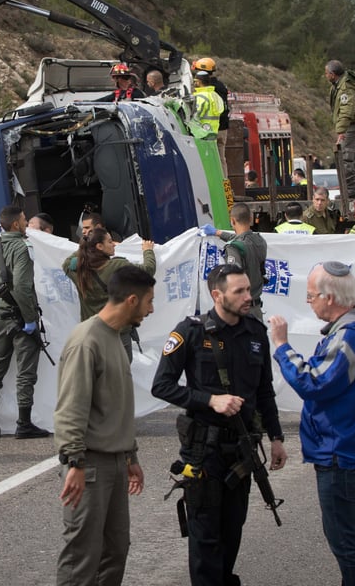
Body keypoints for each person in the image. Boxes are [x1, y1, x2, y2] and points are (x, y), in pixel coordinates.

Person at [152, 264, 287, 586]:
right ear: (217, 295)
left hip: (241, 449)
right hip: (204, 450)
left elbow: (265, 391)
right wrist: (209, 400)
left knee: (232, 528)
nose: (248, 297)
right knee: (206, 536)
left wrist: (277, 438)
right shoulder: (191, 331)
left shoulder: (255, 333)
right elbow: (163, 386)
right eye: (239, 291)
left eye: (248, 289)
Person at [270, 261, 355, 586]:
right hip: (349, 448)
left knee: (346, 543)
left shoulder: (349, 337)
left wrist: (282, 346)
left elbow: (312, 383)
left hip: (342, 453)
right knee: (346, 539)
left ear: (329, 297)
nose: (309, 302)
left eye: (310, 296)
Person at [54, 266, 153, 586]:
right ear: (132, 300)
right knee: (82, 555)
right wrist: (75, 462)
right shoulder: (86, 341)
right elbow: (71, 407)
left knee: (115, 550)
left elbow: (116, 406)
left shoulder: (115, 338)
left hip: (115, 460)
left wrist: (131, 456)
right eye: (149, 301)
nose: (151, 309)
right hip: (90, 464)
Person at [0, 205, 49, 439]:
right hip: (20, 318)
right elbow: (21, 286)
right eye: (23, 220)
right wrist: (30, 319)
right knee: (25, 373)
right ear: (15, 225)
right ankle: (24, 423)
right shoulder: (21, 247)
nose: (25, 223)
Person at [62, 227, 157, 358]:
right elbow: (148, 270)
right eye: (110, 241)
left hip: (92, 335)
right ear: (100, 246)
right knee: (120, 372)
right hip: (118, 334)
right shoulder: (117, 266)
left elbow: (66, 264)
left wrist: (84, 248)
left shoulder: (79, 271)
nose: (113, 244)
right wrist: (148, 251)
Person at [204, 203, 269, 319]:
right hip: (257, 309)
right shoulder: (260, 240)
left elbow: (233, 280)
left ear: (232, 221)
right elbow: (240, 239)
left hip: (241, 312)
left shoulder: (233, 248)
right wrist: (217, 232)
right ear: (251, 219)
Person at [326, 59, 355, 203]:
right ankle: (351, 191)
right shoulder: (340, 85)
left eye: (327, 73)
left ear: (332, 74)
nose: (326, 76)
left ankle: (350, 192)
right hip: (350, 125)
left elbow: (347, 110)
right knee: (348, 157)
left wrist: (341, 130)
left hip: (350, 125)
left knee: (346, 158)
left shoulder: (345, 88)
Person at [191, 57, 231, 177]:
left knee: (208, 161)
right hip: (222, 128)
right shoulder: (220, 87)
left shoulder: (204, 92)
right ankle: (225, 187)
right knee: (221, 160)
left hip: (208, 131)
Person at [191, 69, 225, 146]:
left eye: (195, 81)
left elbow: (195, 116)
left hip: (201, 134)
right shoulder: (215, 95)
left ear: (199, 82)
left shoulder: (200, 96)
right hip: (213, 132)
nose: (194, 83)